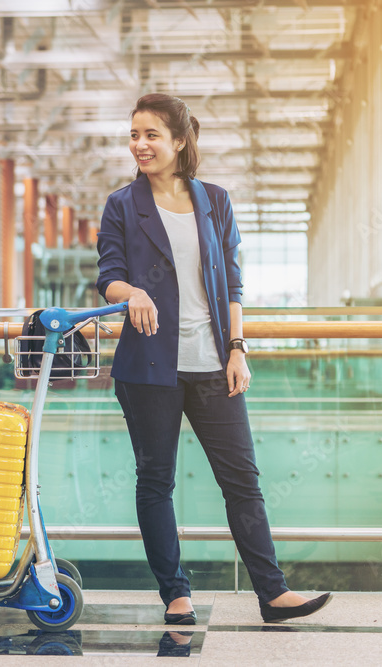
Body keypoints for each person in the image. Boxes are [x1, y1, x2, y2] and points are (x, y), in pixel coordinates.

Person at [96, 94, 331, 624]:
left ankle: (272, 593)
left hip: (213, 365)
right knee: (156, 482)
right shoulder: (122, 204)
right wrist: (130, 290)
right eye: (134, 135)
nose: (140, 145)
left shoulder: (214, 201)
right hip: (149, 369)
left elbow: (233, 283)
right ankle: (175, 594)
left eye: (152, 134)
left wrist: (237, 348)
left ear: (180, 141)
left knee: (242, 481)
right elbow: (106, 273)